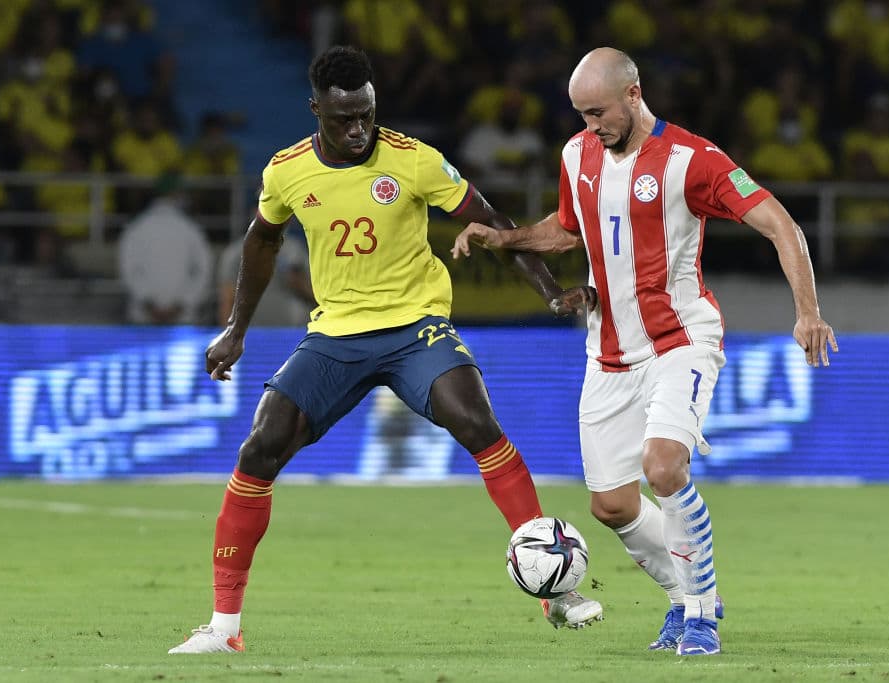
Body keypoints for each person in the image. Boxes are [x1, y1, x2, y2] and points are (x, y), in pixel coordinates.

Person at [168, 45, 602, 654]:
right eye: (343, 118)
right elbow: (261, 245)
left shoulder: (414, 160)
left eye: (367, 115)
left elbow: (494, 221)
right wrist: (236, 329)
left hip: (415, 325)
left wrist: (551, 292)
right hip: (337, 335)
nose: (357, 130)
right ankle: (224, 629)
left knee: (476, 420)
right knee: (260, 447)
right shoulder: (286, 171)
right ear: (316, 109)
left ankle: (554, 590)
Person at [452, 48, 839, 657]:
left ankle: (701, 616)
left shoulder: (692, 159)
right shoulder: (576, 154)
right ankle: (681, 598)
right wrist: (507, 238)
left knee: (664, 468)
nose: (591, 126)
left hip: (680, 340)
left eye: (599, 112)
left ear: (634, 94)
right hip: (607, 350)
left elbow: (780, 224)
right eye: (581, 114)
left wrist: (808, 312)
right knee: (610, 505)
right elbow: (567, 226)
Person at [118, 175, 213, 325]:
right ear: (175, 193)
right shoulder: (191, 229)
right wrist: (181, 305)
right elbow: (202, 270)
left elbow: (129, 270)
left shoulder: (136, 228)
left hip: (143, 317)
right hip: (182, 319)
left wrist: (150, 305)